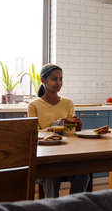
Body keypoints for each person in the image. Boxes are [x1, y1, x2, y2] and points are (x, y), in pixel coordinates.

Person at [28, 64, 89, 198]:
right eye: (54, 79)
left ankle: (74, 205)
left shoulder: (68, 103)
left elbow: (71, 133)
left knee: (84, 172)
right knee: (51, 175)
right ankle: (52, 210)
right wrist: (52, 128)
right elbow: (33, 134)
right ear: (43, 80)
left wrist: (77, 126)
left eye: (61, 79)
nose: (59, 83)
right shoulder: (34, 105)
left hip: (67, 154)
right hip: (46, 157)